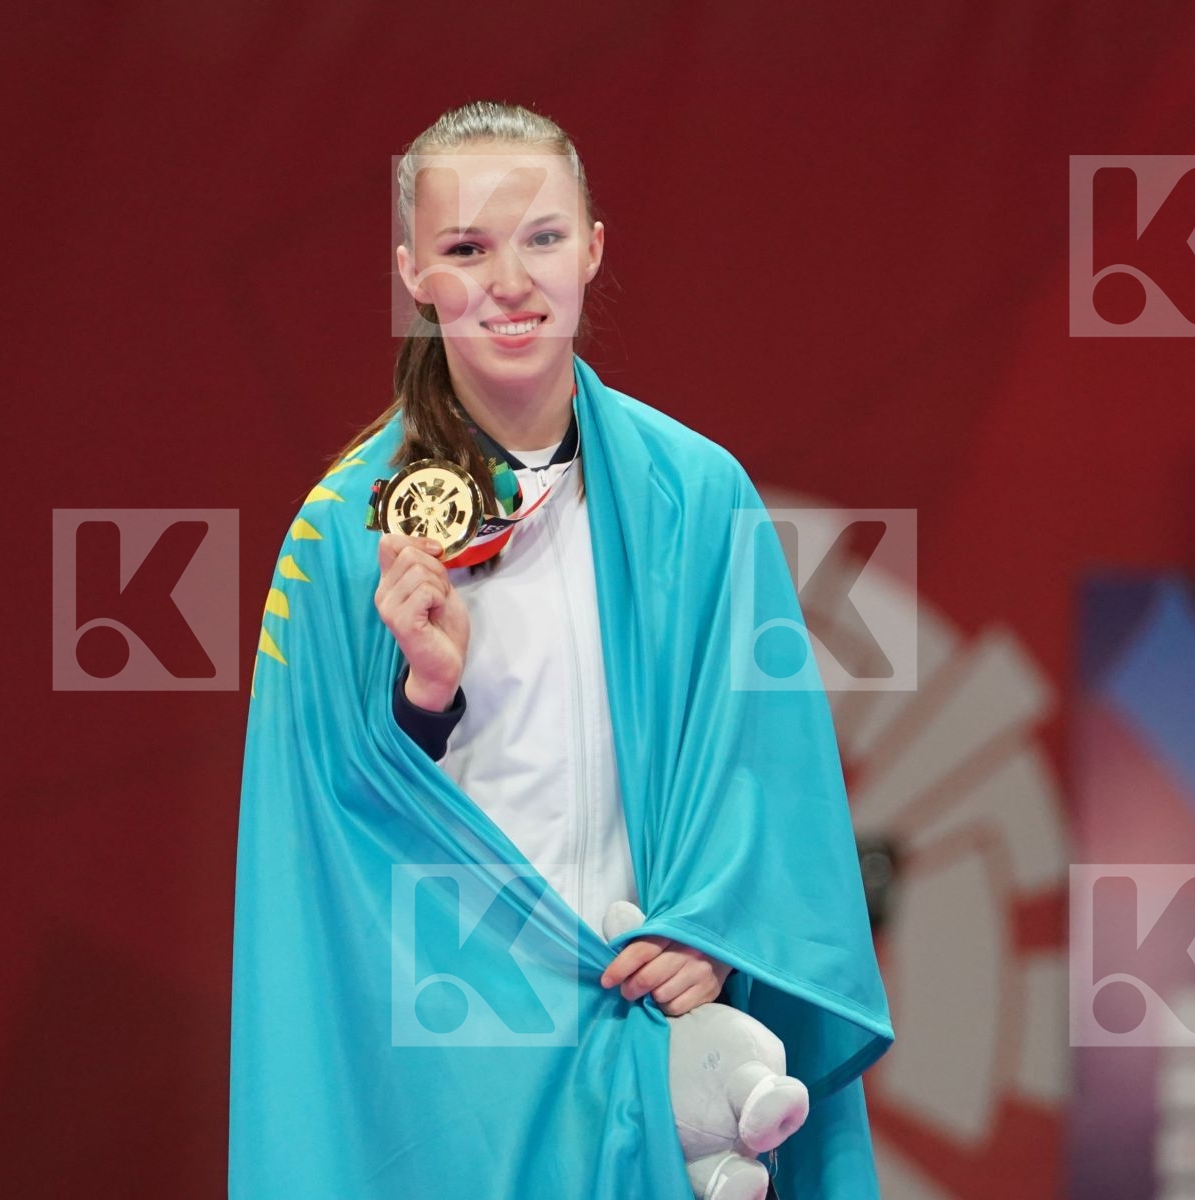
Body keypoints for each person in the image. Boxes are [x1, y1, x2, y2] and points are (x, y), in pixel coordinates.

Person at [230, 100, 892, 1200]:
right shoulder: (342, 532)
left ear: (591, 248)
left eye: (541, 238)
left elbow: (770, 772)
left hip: (652, 1029)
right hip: (455, 1057)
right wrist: (422, 700)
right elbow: (321, 848)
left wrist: (716, 931)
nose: (510, 281)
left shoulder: (698, 495)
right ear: (413, 276)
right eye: (466, 248)